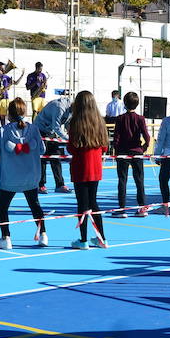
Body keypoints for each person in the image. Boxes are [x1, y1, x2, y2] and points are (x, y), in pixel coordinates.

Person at [0, 97, 50, 249]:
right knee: (35, 205)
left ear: (9, 114)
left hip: (10, 177)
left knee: (2, 207)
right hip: (31, 176)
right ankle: (43, 234)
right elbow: (42, 149)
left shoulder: (3, 131)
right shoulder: (34, 129)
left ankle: (6, 237)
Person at [67, 91, 109, 248]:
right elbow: (104, 146)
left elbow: (71, 147)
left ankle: (84, 240)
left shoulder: (75, 123)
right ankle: (102, 238)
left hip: (80, 167)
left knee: (82, 205)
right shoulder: (100, 122)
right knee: (93, 202)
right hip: (96, 167)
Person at [110, 92, 150, 217]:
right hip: (137, 151)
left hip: (123, 152)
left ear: (125, 104)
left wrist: (116, 150)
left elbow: (116, 138)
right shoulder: (140, 119)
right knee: (139, 180)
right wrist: (143, 148)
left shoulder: (120, 119)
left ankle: (122, 208)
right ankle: (142, 207)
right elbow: (147, 137)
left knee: (122, 180)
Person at [35, 92, 72, 193]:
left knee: (56, 156)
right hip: (40, 129)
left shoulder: (73, 110)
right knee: (42, 157)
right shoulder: (59, 107)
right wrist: (68, 139)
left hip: (50, 131)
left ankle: (60, 184)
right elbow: (57, 127)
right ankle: (40, 185)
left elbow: (68, 123)